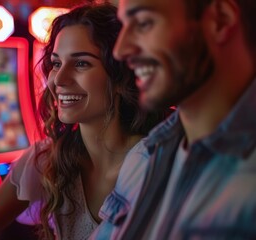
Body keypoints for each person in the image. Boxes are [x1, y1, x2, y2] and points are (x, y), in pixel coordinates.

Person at [0, 3, 164, 240]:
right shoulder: (47, 160)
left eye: (81, 63)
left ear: (121, 74)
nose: (58, 79)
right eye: (56, 63)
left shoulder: (157, 162)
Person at [90, 0, 256, 239]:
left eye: (144, 23)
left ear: (220, 21)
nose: (120, 50)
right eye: (125, 24)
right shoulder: (143, 156)